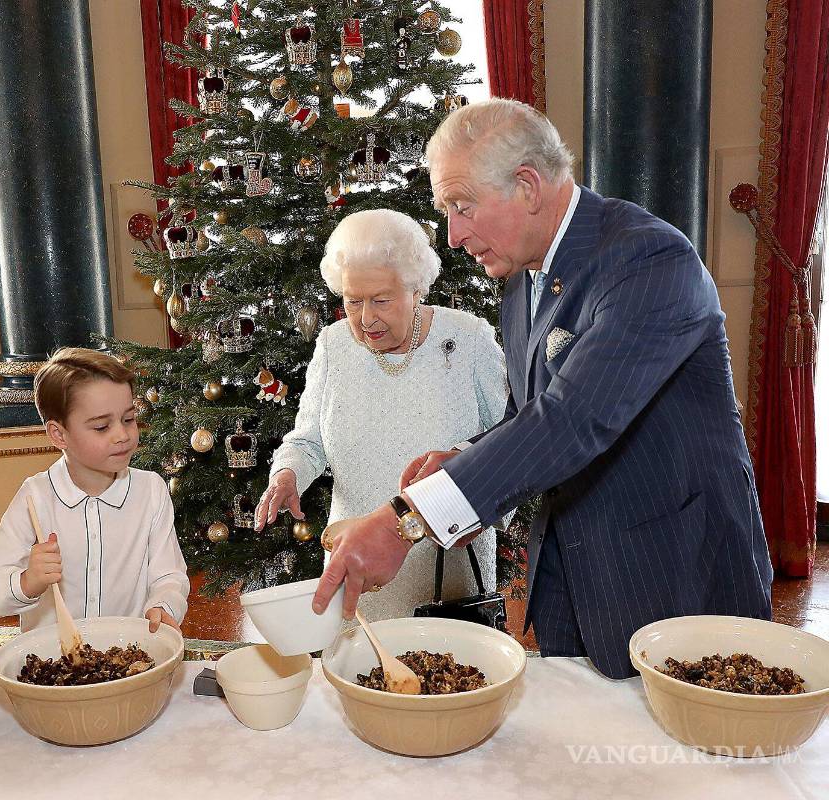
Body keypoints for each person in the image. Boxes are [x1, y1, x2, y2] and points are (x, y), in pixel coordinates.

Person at [312, 99, 773, 679]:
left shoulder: (649, 261)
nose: (452, 236)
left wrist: (408, 520)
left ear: (527, 187)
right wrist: (469, 456)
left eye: (461, 207)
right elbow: (530, 414)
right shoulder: (525, 275)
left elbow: (570, 420)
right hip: (575, 580)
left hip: (672, 573)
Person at [255, 209, 507, 620]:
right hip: (355, 563)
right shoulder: (333, 346)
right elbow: (307, 440)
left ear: (416, 289)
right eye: (353, 301)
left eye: (382, 300)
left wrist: (484, 510)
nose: (366, 318)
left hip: (447, 569)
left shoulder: (468, 339)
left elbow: (509, 441)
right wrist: (288, 474)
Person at [0, 348, 189, 633]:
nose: (122, 435)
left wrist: (163, 604)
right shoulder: (35, 497)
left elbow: (169, 576)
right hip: (54, 666)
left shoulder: (151, 491)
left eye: (128, 419)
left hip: (128, 656)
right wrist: (28, 581)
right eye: (101, 426)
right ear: (58, 434)